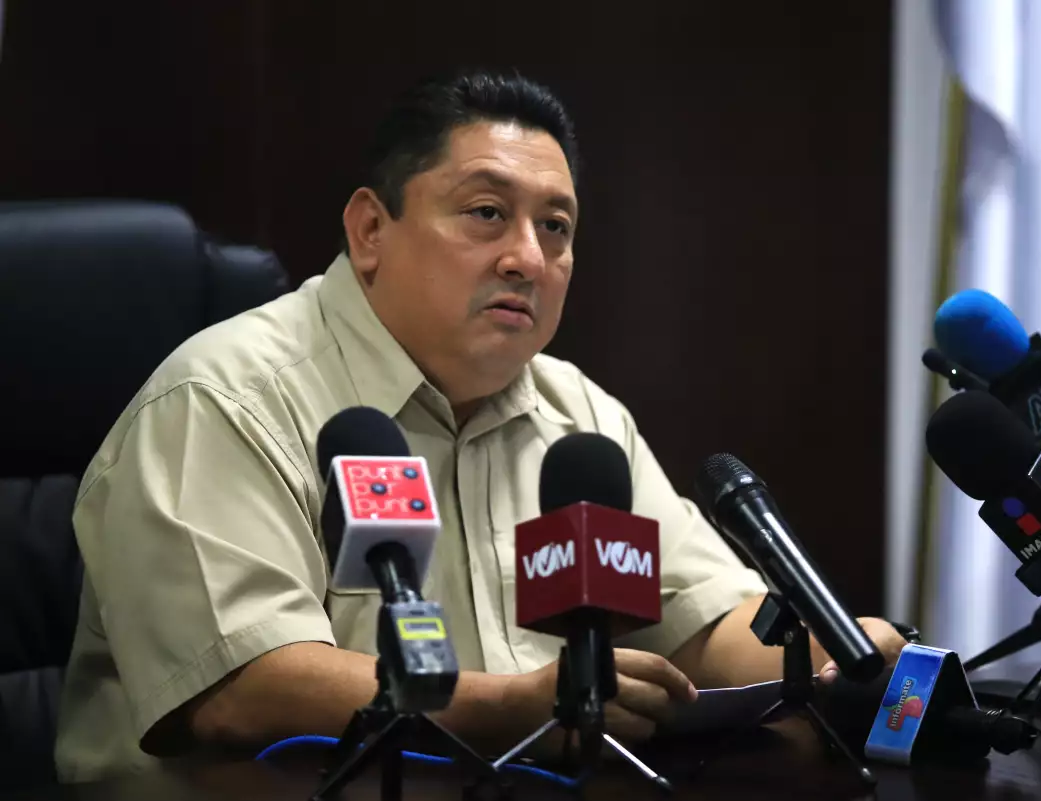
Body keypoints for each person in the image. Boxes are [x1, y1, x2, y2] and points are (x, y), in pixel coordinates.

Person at [54, 69, 906, 782]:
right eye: (487, 212)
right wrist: (514, 708)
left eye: (556, 227)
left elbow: (704, 622)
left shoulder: (579, 420)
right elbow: (243, 689)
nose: (528, 257)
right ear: (370, 230)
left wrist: (837, 658)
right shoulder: (225, 397)